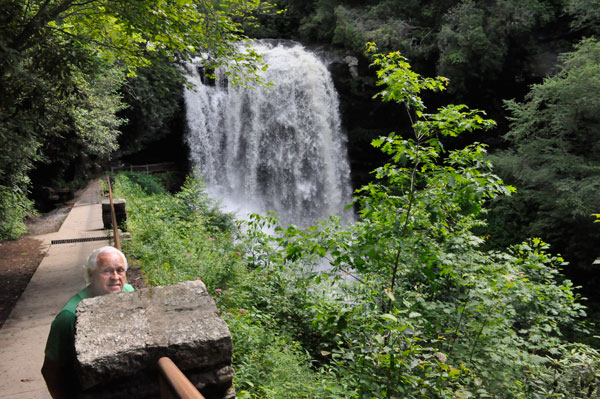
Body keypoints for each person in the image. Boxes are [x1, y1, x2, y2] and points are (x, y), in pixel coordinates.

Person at [41, 246, 134, 398]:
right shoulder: (69, 316)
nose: (115, 277)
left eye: (120, 270)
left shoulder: (129, 293)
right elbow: (51, 371)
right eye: (107, 271)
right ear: (91, 275)